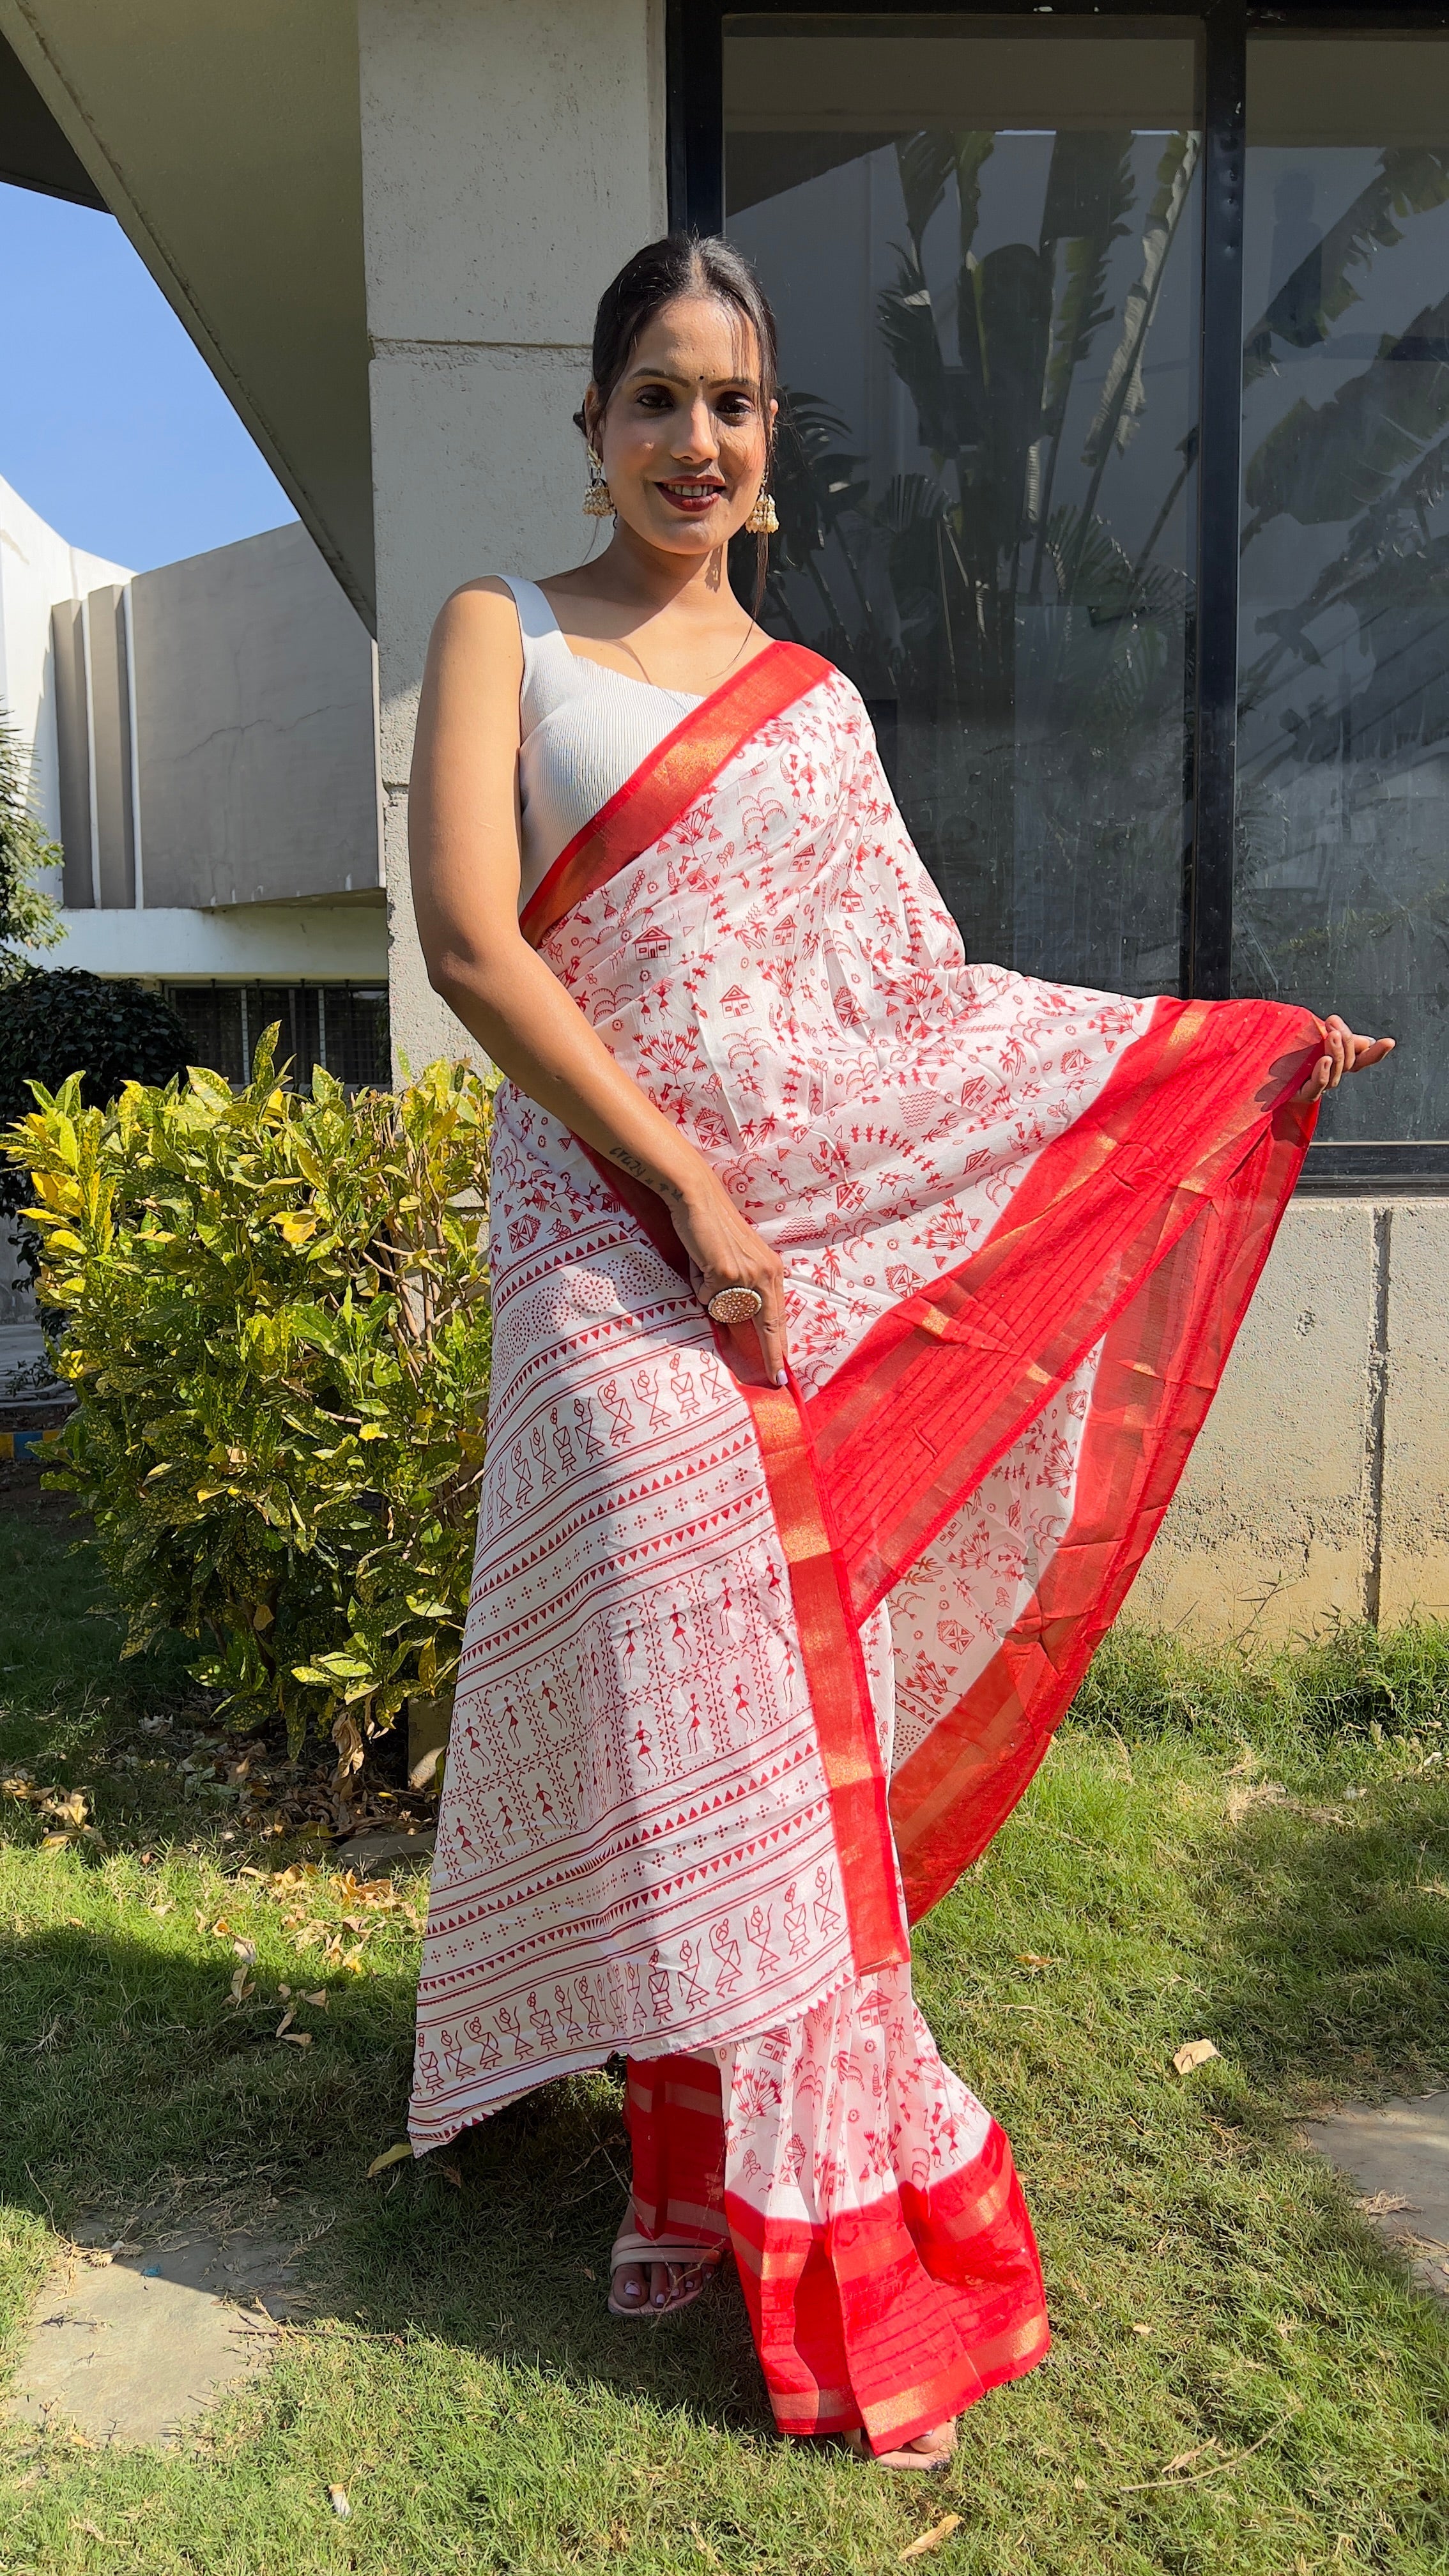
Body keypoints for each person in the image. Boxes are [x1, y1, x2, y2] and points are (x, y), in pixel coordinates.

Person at [404, 233, 1391, 2468]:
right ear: (591, 427)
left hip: (770, 1253)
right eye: (653, 396)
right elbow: (473, 942)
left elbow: (912, 1022)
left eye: (733, 407)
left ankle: (755, 2186)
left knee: (752, 1717)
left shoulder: (817, 710)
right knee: (696, 1656)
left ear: (773, 458)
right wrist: (683, 1182)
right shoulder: (506, 633)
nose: (694, 440)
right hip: (601, 1242)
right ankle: (749, 2168)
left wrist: (1212, 1055)